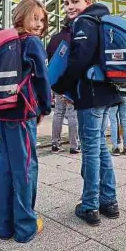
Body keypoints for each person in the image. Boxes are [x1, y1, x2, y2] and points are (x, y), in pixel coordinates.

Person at [52, 0, 121, 226]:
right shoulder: (102, 20)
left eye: (75, 1)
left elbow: (79, 60)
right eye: (66, 3)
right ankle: (110, 202)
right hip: (107, 95)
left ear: (87, 2)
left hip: (90, 96)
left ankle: (90, 205)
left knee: (91, 149)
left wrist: (59, 86)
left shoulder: (84, 22)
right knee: (100, 146)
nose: (70, 7)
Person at [0, 0, 51, 243]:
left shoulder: (3, 40)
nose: (39, 24)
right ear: (21, 17)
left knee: (4, 167)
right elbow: (42, 80)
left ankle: (3, 225)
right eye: (34, 18)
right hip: (24, 112)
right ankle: (26, 226)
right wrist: (45, 107)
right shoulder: (32, 42)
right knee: (26, 168)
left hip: (3, 110)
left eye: (42, 20)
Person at [46, 18, 80, 154]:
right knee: (72, 114)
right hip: (70, 82)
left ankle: (55, 144)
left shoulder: (55, 38)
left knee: (58, 112)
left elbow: (48, 59)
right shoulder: (74, 39)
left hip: (56, 81)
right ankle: (74, 145)